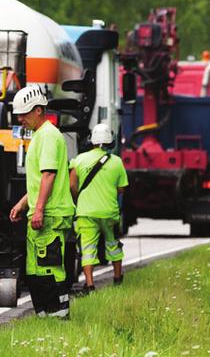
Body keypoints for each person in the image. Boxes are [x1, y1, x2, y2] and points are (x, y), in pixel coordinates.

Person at [8, 85, 75, 318]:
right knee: (36, 269)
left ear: (38, 110)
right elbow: (40, 180)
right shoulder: (40, 135)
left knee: (50, 265)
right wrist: (23, 203)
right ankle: (44, 316)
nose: (20, 119)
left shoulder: (47, 135)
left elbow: (49, 175)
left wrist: (38, 210)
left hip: (50, 214)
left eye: (24, 114)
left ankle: (59, 316)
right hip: (42, 213)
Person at [70, 123, 128, 293]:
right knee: (113, 245)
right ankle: (117, 279)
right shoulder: (117, 162)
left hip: (86, 212)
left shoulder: (79, 160)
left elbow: (72, 185)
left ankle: (90, 285)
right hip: (109, 212)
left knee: (88, 248)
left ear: (92, 140)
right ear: (110, 141)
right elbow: (122, 189)